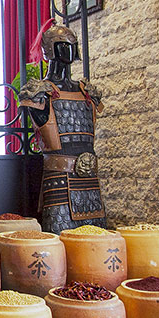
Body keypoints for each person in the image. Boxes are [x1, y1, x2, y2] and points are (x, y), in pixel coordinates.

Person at [19, 21, 107, 234]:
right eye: (62, 45)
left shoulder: (87, 92)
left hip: (90, 183)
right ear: (50, 49)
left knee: (97, 241)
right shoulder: (39, 93)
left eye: (71, 45)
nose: (68, 50)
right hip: (59, 182)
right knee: (59, 238)